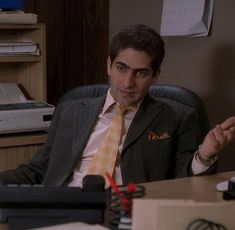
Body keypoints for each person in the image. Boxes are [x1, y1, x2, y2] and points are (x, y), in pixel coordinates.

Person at [0, 24, 234, 186]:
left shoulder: (179, 116)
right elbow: (38, 170)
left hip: (129, 211)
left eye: (141, 73)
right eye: (121, 68)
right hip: (64, 206)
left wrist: (204, 155)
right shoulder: (71, 109)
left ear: (155, 75)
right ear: (109, 65)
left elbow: (185, 183)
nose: (128, 83)